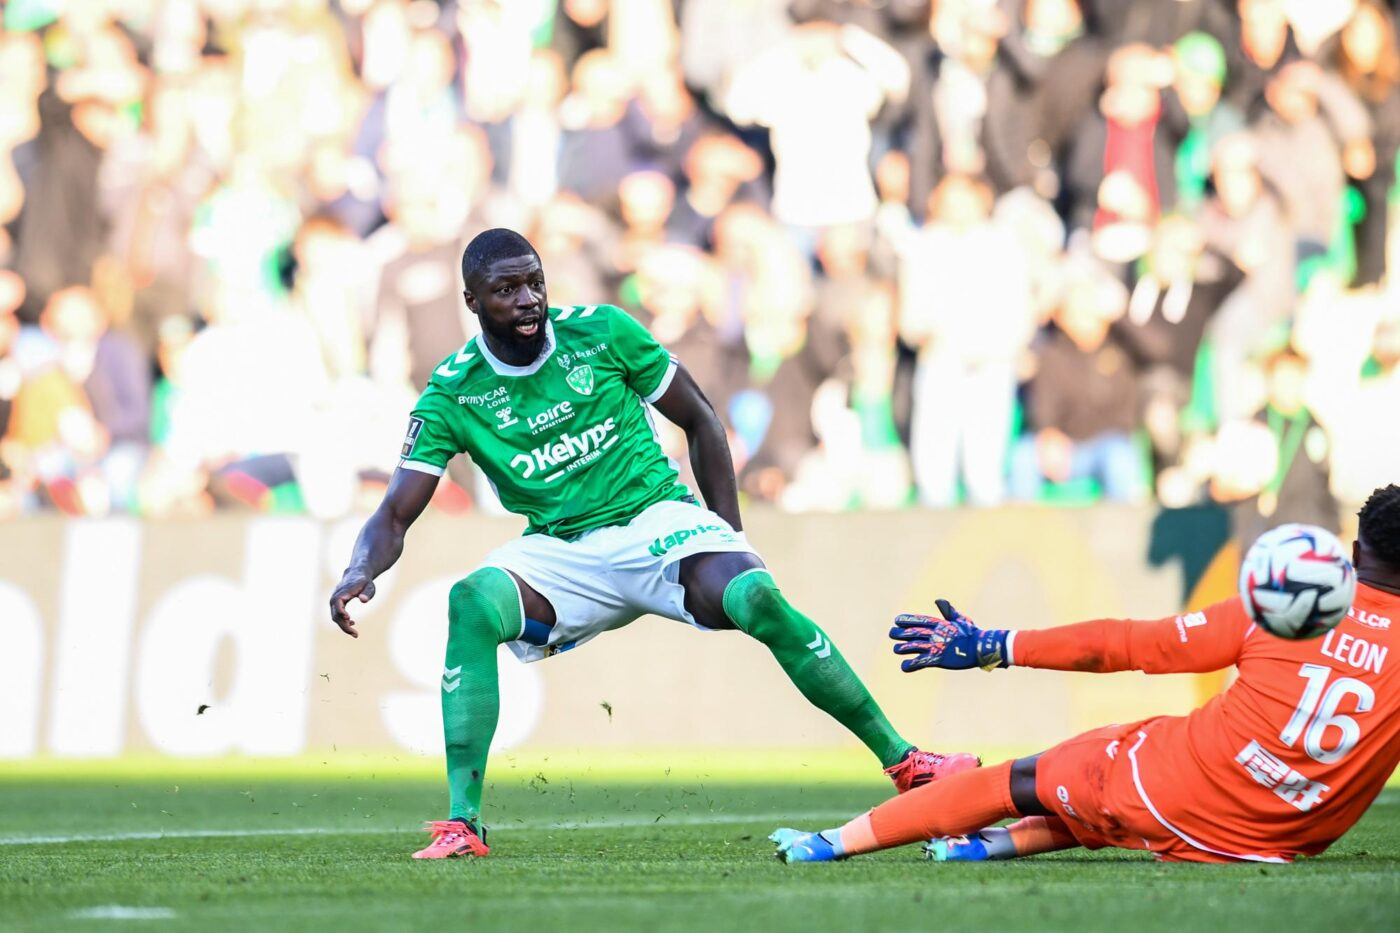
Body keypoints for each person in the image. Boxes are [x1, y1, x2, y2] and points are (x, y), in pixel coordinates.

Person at [328, 228, 975, 860]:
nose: (528, 300)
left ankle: (906, 762)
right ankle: (462, 823)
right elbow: (395, 511)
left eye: (535, 283)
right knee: (471, 602)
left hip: (655, 520)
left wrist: (728, 534)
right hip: (560, 550)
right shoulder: (454, 389)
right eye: (507, 290)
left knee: (758, 597)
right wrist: (361, 567)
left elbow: (700, 418)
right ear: (472, 300)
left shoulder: (603, 332)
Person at [772, 483, 1400, 865]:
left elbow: (1127, 647)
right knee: (1120, 758)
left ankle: (833, 842)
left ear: (1352, 552)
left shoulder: (1276, 608)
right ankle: (996, 844)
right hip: (1290, 835)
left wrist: (995, 645)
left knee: (1035, 775)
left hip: (1181, 795)